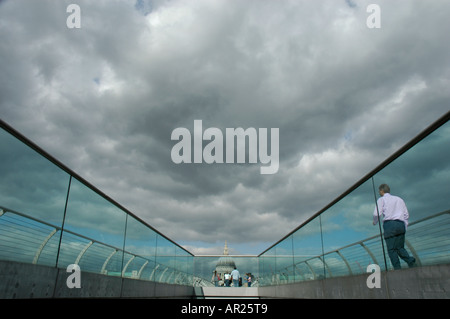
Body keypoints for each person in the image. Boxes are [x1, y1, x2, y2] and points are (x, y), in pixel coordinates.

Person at [373, 184, 416, 270]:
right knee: (400, 247)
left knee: (391, 249)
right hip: (400, 224)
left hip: (390, 225)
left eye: (379, 191)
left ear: (382, 191)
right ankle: (411, 261)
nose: (379, 192)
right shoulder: (399, 199)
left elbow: (376, 213)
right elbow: (406, 215)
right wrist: (405, 225)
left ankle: (397, 269)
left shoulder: (381, 199)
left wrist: (375, 221)